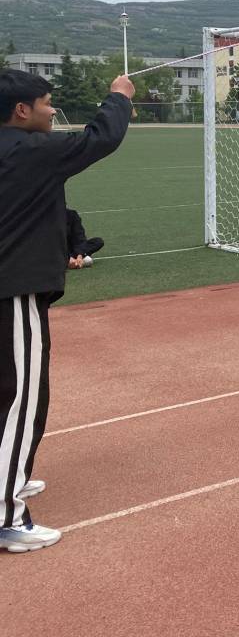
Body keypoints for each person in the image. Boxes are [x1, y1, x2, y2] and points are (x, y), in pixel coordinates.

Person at [0, 68, 133, 553]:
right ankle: (5, 514)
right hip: (13, 292)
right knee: (20, 399)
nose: (52, 109)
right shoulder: (29, 150)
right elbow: (101, 138)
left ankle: (8, 476)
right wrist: (119, 97)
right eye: (46, 102)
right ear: (22, 110)